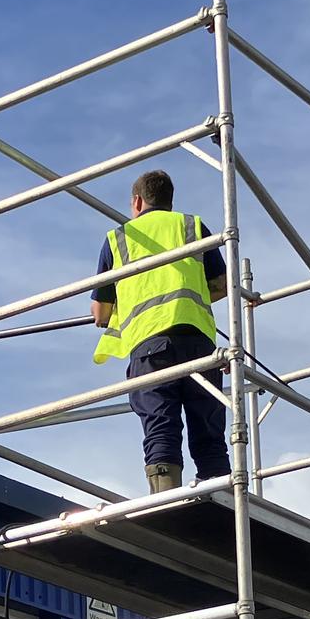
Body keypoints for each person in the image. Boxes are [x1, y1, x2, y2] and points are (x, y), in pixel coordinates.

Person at [91, 169, 230, 493]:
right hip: (199, 343)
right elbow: (221, 286)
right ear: (169, 201)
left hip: (151, 345)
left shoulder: (118, 238)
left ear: (137, 201)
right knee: (208, 425)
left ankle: (165, 495)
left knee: (161, 422)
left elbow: (100, 312)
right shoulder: (192, 226)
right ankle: (222, 496)